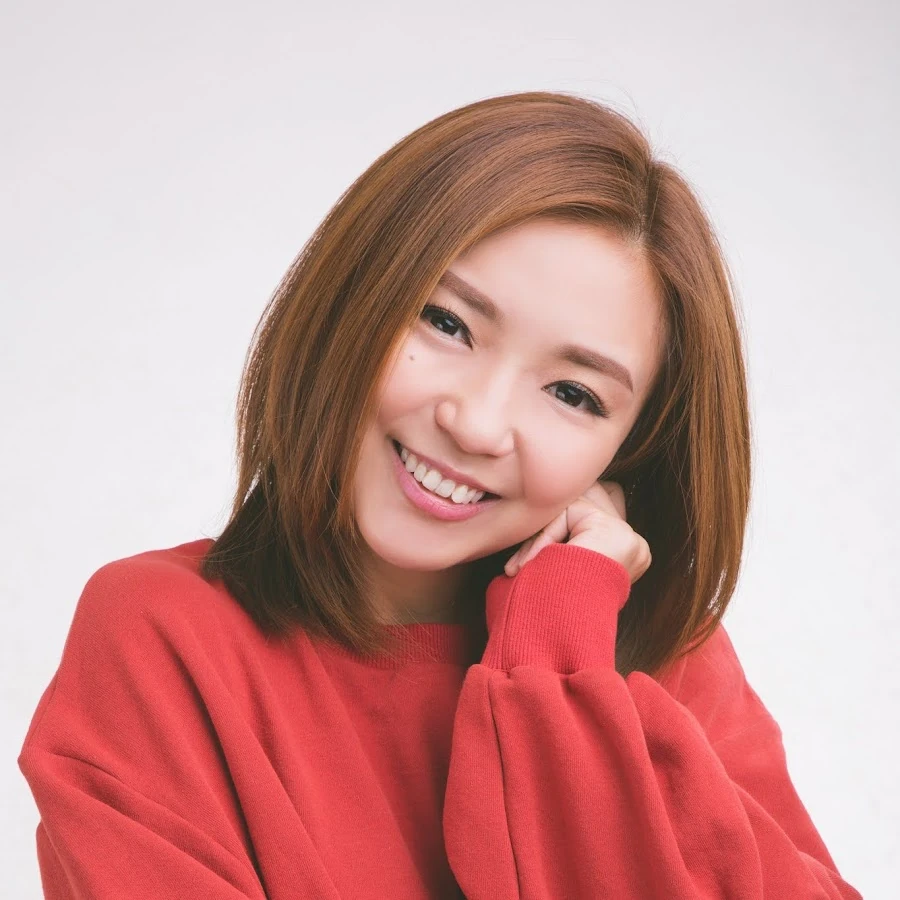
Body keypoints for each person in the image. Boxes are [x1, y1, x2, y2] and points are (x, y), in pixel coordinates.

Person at [18, 91, 862, 899]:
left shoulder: (664, 655)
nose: (477, 423)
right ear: (353, 297)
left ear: (629, 450)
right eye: (447, 323)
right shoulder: (163, 638)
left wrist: (556, 656)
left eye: (573, 394)